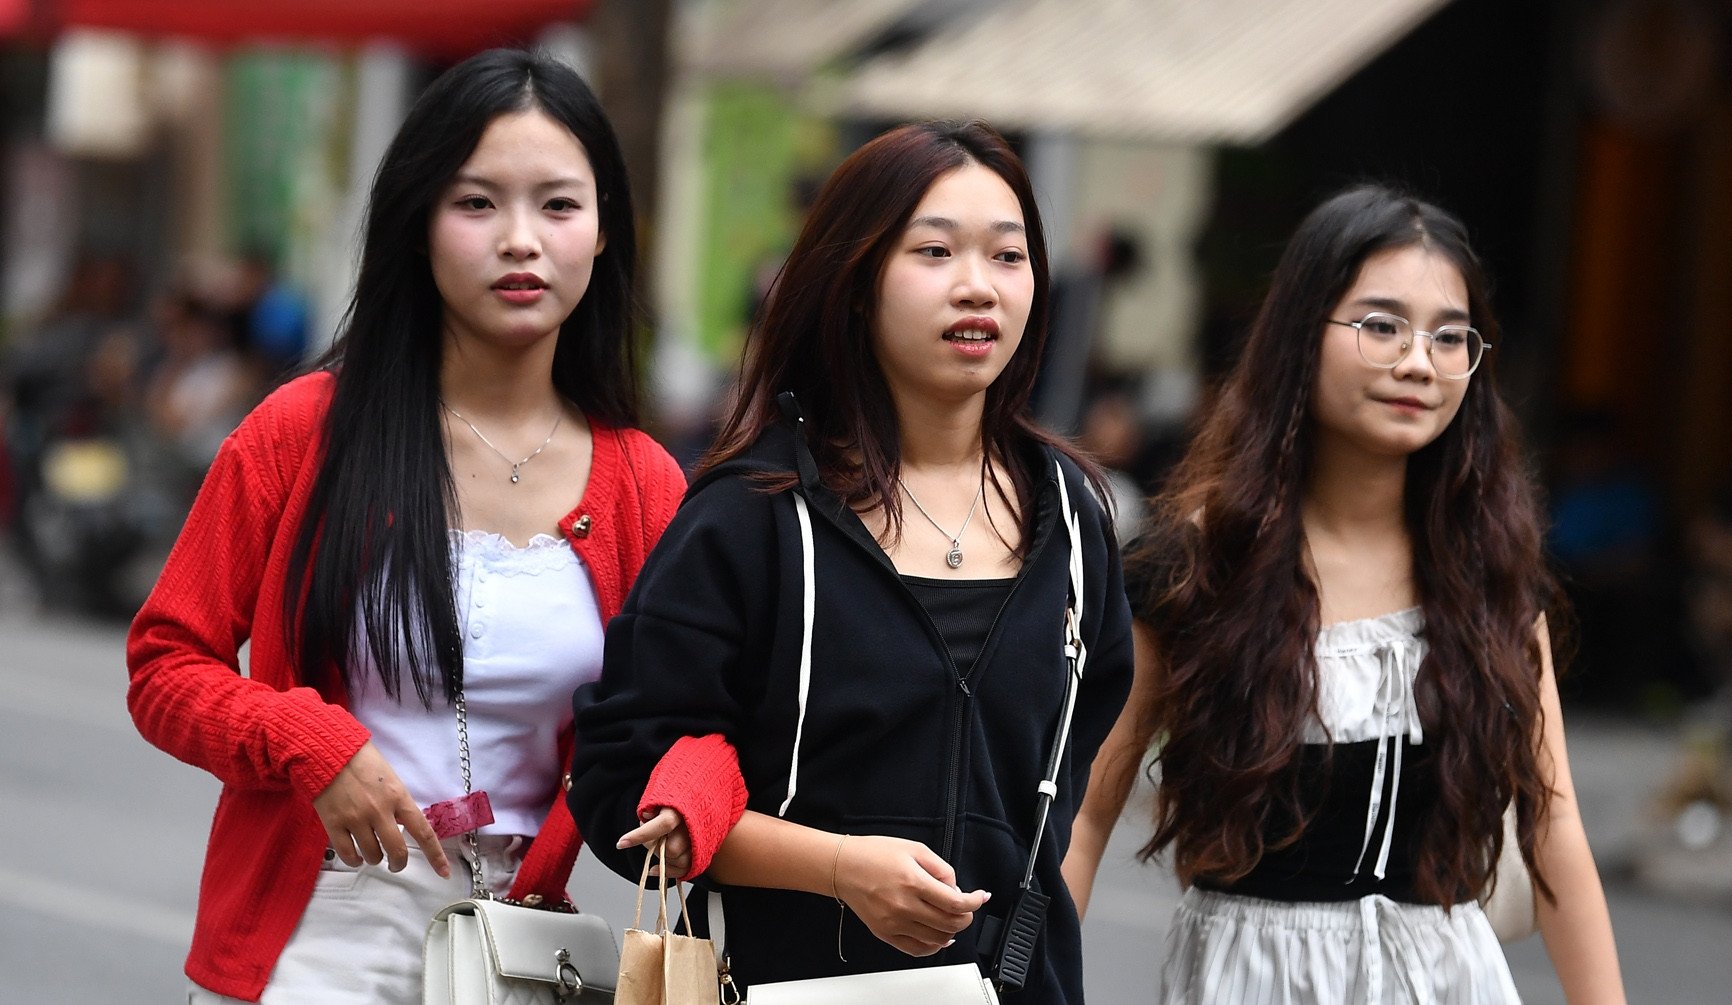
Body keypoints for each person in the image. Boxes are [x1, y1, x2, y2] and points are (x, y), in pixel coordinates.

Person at [127, 49, 735, 1003]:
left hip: (522, 949)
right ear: (418, 224)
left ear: (607, 231)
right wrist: (305, 740)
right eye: (478, 202)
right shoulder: (302, 433)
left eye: (560, 206)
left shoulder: (644, 483)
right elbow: (165, 663)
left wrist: (689, 800)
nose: (521, 240)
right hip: (316, 932)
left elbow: (704, 719)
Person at [569, 120, 1134, 1004]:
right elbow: (617, 785)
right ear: (858, 282)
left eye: (1009, 255)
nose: (977, 286)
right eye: (935, 251)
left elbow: (1075, 788)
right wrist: (836, 869)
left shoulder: (1072, 517)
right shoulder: (750, 516)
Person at [1065, 185, 1627, 1004]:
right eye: (1381, 325)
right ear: (1300, 334)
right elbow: (1084, 818)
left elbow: (1552, 826)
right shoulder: (1195, 563)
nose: (1417, 361)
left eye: (1450, 337)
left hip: (1443, 979)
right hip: (1251, 978)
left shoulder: (1489, 571)